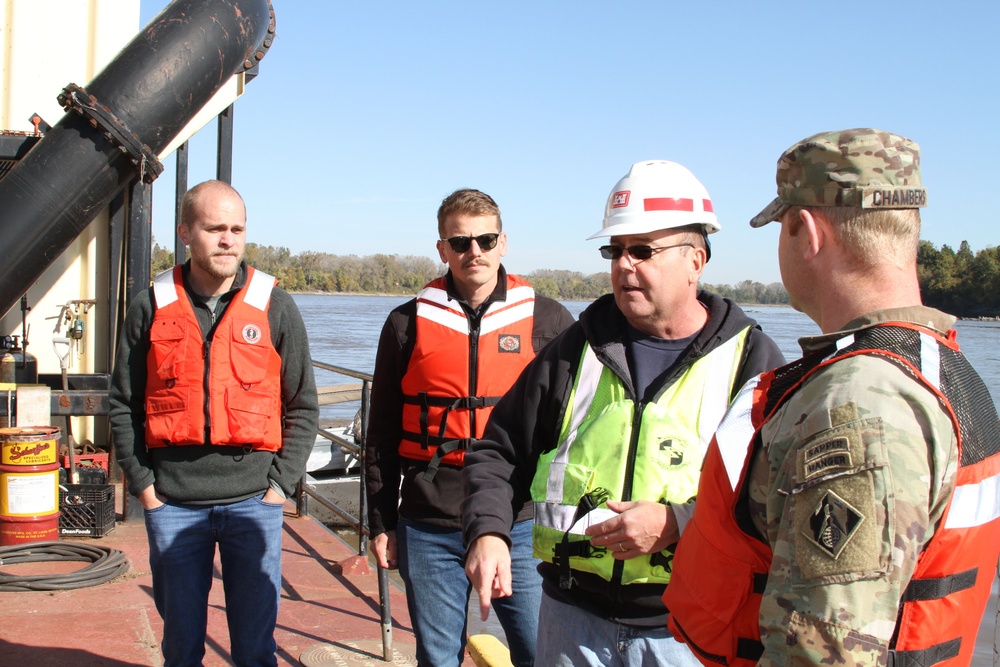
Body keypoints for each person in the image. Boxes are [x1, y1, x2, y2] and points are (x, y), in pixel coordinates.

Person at [663, 129, 1000, 666]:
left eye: (781, 227)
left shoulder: (861, 403)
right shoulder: (943, 369)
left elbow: (828, 652)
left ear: (805, 230)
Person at [462, 160, 786, 666]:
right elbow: (498, 450)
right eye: (615, 251)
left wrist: (681, 520)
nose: (623, 265)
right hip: (570, 621)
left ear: (695, 261)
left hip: (687, 630)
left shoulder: (752, 362)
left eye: (642, 251)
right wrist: (488, 531)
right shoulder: (576, 348)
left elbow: (778, 501)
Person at [110, 180, 319, 667]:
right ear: (185, 232)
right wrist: (144, 488)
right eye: (214, 228)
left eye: (237, 229)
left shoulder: (274, 306)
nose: (228, 239)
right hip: (173, 504)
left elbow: (303, 405)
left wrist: (280, 486)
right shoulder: (150, 306)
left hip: (254, 504)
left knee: (254, 648)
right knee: (181, 648)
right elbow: (122, 403)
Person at [364, 188, 575, 667]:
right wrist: (383, 523)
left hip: (518, 523)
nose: (473, 252)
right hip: (429, 521)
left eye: (485, 239)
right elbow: (380, 436)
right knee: (437, 658)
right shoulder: (406, 324)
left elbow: (576, 431)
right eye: (460, 242)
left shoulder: (549, 320)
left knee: (540, 654)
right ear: (442, 249)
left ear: (503, 243)